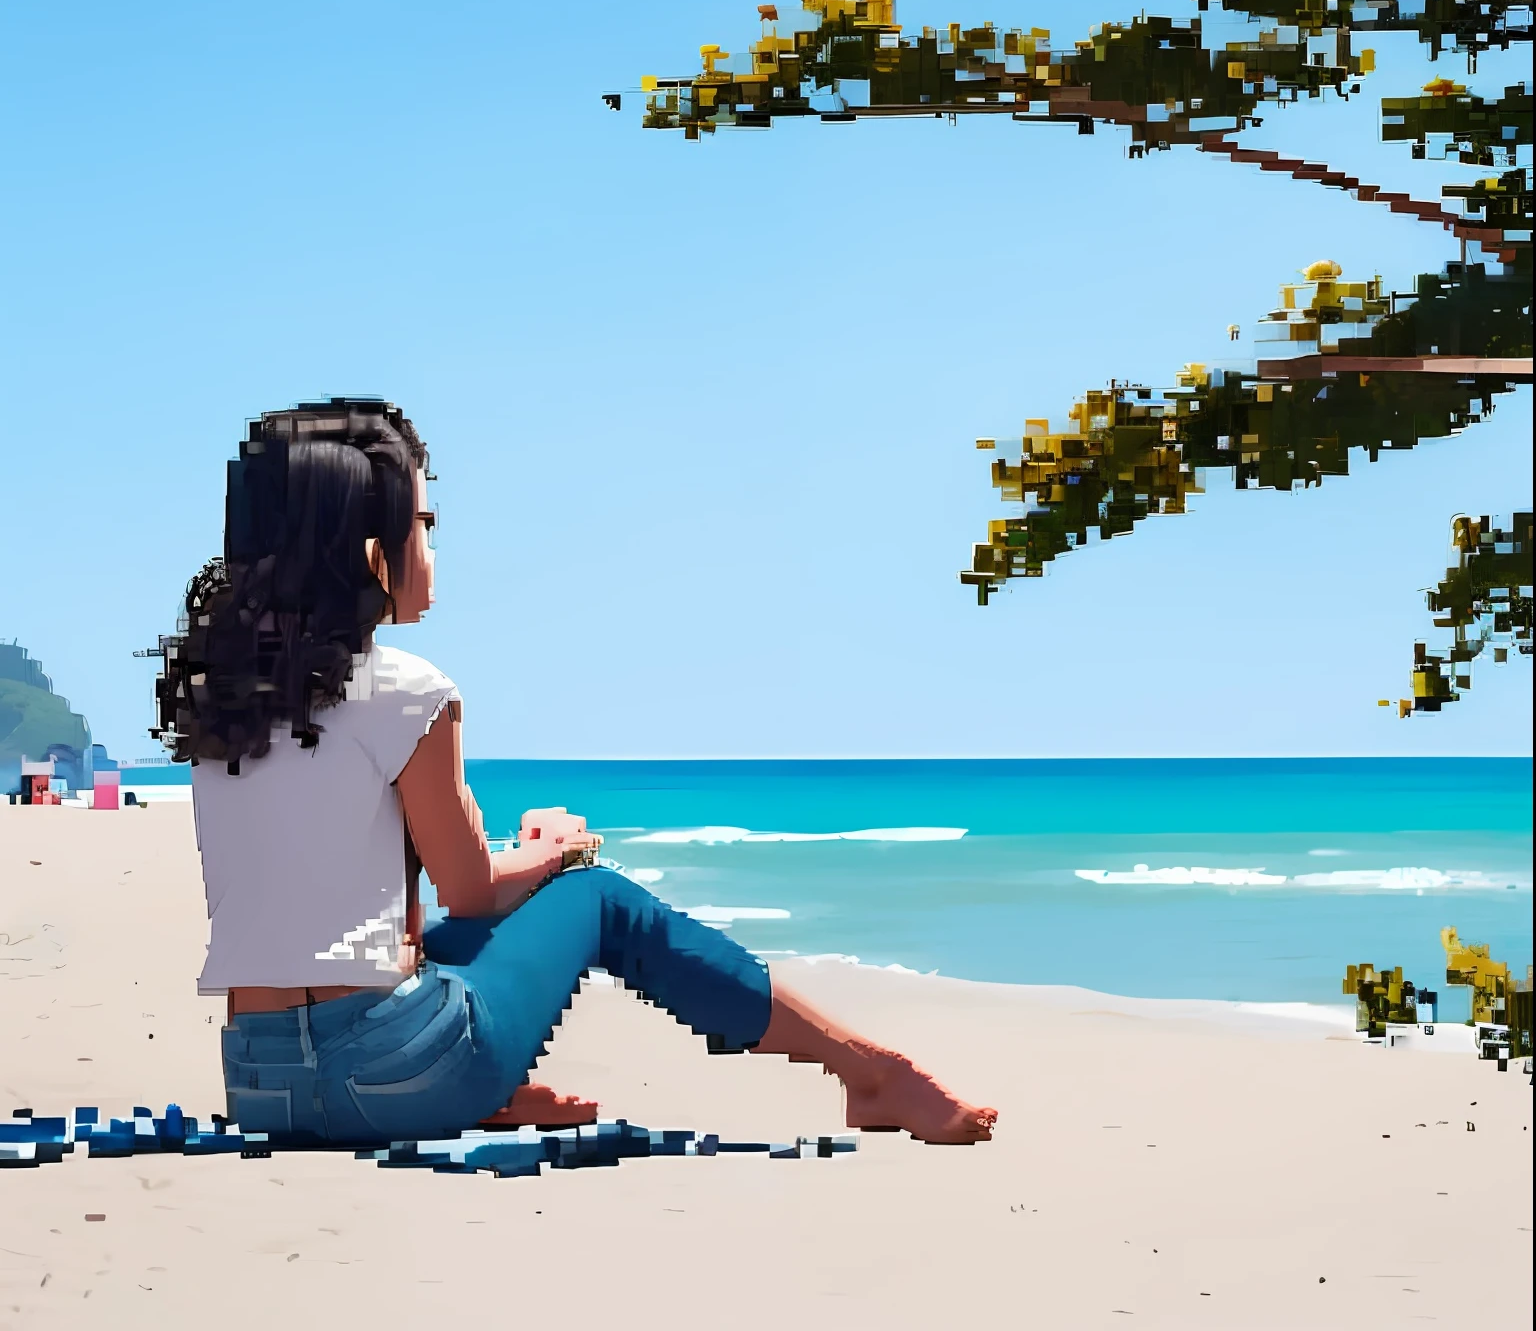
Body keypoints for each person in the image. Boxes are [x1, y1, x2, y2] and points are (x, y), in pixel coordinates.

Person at [159, 399, 996, 1148]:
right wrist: (557, 849)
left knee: (446, 954)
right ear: (375, 555)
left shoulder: (224, 699)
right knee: (596, 898)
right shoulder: (408, 691)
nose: (432, 546)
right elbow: (475, 892)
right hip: (393, 1072)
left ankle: (472, 1092)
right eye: (425, 524)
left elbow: (365, 912)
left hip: (263, 1084)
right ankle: (866, 1070)